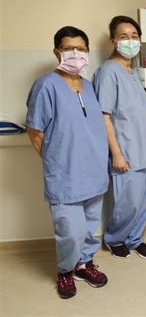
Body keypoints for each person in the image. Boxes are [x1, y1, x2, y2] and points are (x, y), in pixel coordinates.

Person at [26, 26, 108, 299]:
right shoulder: (46, 85)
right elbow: (35, 131)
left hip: (94, 172)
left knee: (88, 228)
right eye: (69, 48)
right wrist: (56, 163)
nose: (76, 54)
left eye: (81, 49)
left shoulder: (90, 86)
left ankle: (83, 264)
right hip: (66, 176)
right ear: (56, 52)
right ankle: (65, 270)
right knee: (69, 232)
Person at [93, 16, 146, 259]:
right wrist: (117, 153)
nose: (130, 41)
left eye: (134, 36)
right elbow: (104, 116)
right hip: (128, 151)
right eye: (123, 36)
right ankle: (115, 238)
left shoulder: (132, 70)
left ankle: (135, 238)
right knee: (127, 202)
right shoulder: (108, 72)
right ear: (113, 40)